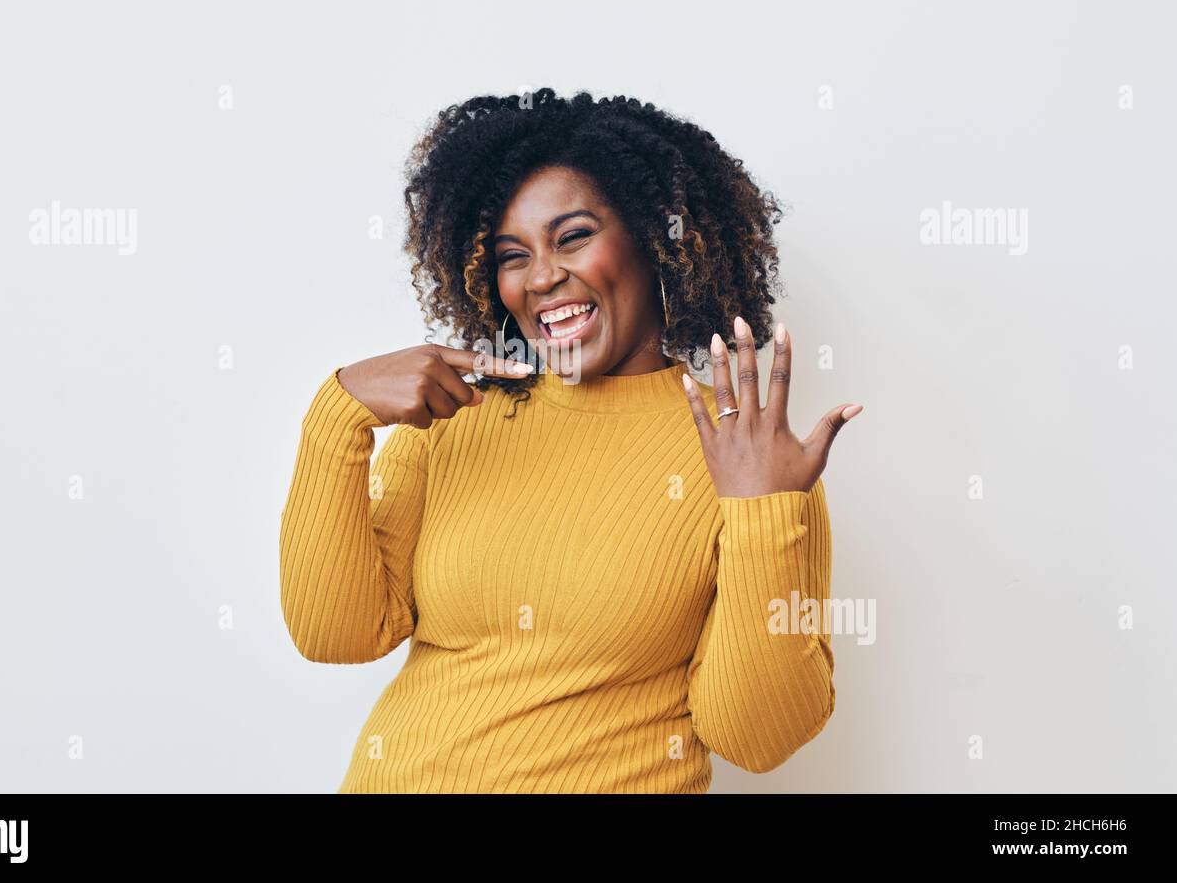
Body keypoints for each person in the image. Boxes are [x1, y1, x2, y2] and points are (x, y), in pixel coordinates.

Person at [279, 88, 862, 793]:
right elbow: (336, 635)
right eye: (511, 254)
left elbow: (756, 737)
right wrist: (335, 418)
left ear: (655, 239)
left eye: (573, 236)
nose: (543, 277)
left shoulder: (745, 452)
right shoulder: (453, 421)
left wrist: (764, 515)